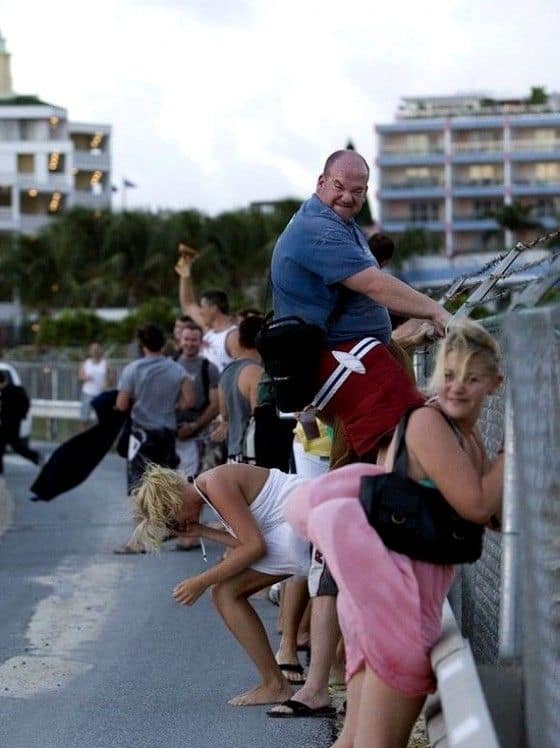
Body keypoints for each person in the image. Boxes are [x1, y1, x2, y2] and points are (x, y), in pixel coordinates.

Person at [269, 149, 451, 718]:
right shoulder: (319, 230)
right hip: (341, 365)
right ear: (321, 181)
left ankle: (322, 683)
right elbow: (375, 288)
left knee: (344, 533)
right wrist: (444, 317)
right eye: (342, 186)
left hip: (358, 365)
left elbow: (371, 298)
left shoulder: (340, 225)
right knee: (402, 470)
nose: (350, 196)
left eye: (359, 189)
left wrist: (408, 339)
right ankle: (330, 679)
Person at [283, 319, 505, 746]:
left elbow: (487, 517)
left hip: (391, 603)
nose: (457, 387)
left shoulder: (465, 434)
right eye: (449, 375)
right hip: (397, 609)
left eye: (472, 379)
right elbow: (477, 504)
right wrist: (514, 451)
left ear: (495, 383)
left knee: (353, 741)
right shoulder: (429, 424)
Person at [132, 461, 311, 707]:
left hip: (305, 520)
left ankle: (275, 684)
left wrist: (201, 581)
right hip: (296, 523)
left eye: (173, 522)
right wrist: (203, 531)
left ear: (173, 504)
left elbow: (254, 547)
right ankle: (274, 682)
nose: (179, 528)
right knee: (225, 591)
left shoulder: (214, 484)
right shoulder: (210, 489)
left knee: (225, 592)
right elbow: (246, 542)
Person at [113, 323, 194, 554]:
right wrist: (170, 406)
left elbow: (121, 404)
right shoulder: (177, 369)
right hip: (166, 433)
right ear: (163, 344)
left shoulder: (133, 369)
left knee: (138, 486)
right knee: (166, 483)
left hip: (141, 435)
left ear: (142, 345)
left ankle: (138, 541)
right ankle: (169, 528)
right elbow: (189, 400)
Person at [175, 247, 238, 372]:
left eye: (203, 307)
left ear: (213, 309)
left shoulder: (233, 335)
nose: (201, 311)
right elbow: (188, 304)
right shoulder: (208, 329)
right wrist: (184, 273)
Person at [212, 315, 264, 463]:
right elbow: (261, 420)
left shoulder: (227, 372)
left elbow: (225, 415)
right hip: (251, 454)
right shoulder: (256, 373)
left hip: (233, 455)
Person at [175, 322, 220, 477]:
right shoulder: (170, 365)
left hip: (197, 437)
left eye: (194, 340)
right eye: (186, 339)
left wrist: (194, 426)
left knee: (192, 483)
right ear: (180, 340)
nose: (189, 344)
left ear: (201, 343)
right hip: (170, 437)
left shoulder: (209, 368)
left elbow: (216, 404)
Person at [0, 371, 39, 473]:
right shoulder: (16, 390)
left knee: (17, 446)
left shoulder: (9, 392)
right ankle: (35, 457)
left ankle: (36, 457)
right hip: (12, 423)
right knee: (15, 446)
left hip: (9, 424)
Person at [77, 342, 111, 427]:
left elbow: (112, 377)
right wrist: (85, 377)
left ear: (100, 351)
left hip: (101, 393)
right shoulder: (86, 363)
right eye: (93, 350)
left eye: (97, 349)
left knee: (102, 418)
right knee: (84, 418)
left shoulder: (105, 363)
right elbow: (79, 376)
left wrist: (107, 383)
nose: (95, 351)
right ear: (90, 351)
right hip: (88, 393)